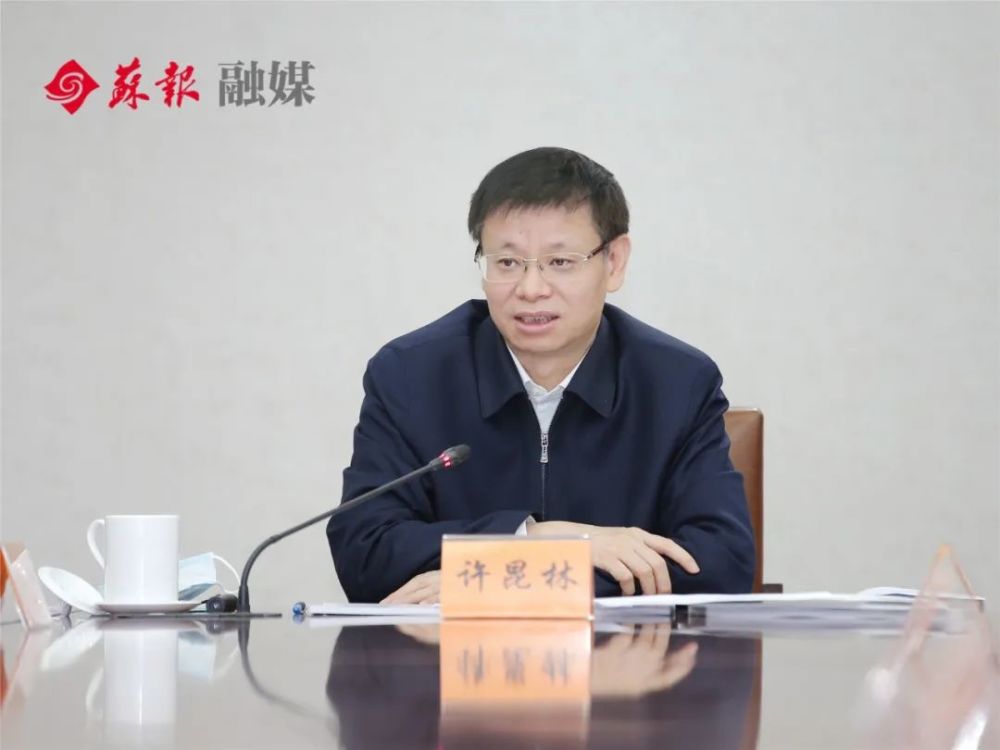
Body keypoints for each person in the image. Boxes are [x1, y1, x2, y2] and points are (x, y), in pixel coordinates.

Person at [327, 146, 755, 603]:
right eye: (507, 263)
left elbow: (720, 561)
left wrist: (496, 580)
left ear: (614, 261)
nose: (531, 289)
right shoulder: (410, 376)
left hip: (622, 651)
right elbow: (364, 551)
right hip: (450, 651)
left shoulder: (677, 383)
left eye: (560, 262)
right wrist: (533, 538)